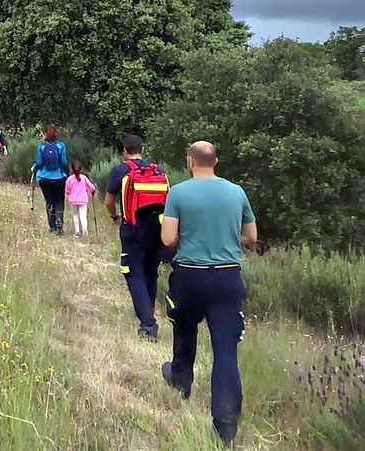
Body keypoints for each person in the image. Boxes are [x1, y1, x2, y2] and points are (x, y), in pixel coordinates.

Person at [159, 140, 257, 448]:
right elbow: (251, 237)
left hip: (189, 277)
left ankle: (181, 380)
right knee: (225, 351)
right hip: (228, 278)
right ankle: (226, 425)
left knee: (185, 327)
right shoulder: (236, 192)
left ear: (191, 161)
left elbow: (169, 238)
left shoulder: (178, 193)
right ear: (215, 161)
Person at [104, 134, 168, 342]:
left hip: (133, 228)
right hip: (157, 229)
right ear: (143, 149)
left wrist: (116, 217)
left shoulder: (120, 170)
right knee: (151, 271)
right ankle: (147, 312)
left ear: (124, 150)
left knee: (133, 272)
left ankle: (148, 323)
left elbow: (108, 201)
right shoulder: (158, 171)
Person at [32, 124, 68, 235]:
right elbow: (64, 162)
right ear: (56, 133)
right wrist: (66, 173)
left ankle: (52, 226)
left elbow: (40, 163)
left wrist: (35, 168)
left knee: (49, 201)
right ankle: (59, 223)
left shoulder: (41, 146)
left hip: (44, 178)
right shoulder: (61, 146)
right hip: (59, 177)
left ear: (45, 133)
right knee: (59, 201)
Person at [65, 160, 96, 238]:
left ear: (71, 169)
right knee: (83, 216)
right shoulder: (84, 178)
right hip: (83, 200)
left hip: (73, 201)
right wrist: (93, 190)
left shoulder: (69, 179)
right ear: (80, 169)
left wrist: (69, 194)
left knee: (75, 216)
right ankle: (85, 232)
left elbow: (67, 190)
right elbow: (91, 187)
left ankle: (77, 232)